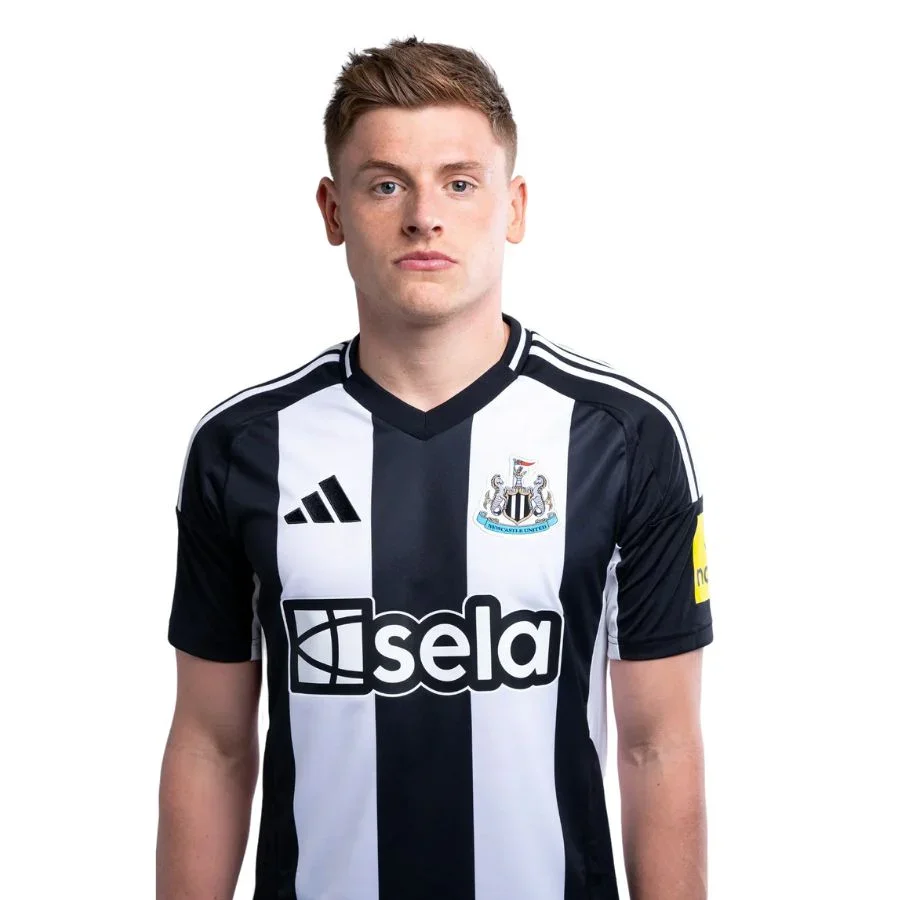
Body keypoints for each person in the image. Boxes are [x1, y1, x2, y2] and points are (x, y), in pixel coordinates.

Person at [157, 35, 713, 900]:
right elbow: (213, 743)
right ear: (333, 210)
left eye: (460, 183)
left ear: (514, 207)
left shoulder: (624, 439)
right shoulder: (243, 447)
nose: (425, 216)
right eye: (386, 184)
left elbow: (658, 745)